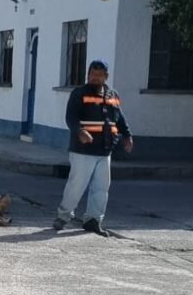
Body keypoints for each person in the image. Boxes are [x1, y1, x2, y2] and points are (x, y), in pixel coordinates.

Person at [53, 60, 133, 237]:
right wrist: (80, 131)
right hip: (83, 150)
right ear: (88, 75)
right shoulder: (79, 93)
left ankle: (93, 220)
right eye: (92, 74)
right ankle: (63, 217)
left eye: (99, 75)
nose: (95, 78)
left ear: (106, 76)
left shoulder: (112, 94)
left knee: (101, 188)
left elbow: (120, 118)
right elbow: (71, 118)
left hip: (105, 150)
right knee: (76, 185)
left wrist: (127, 135)